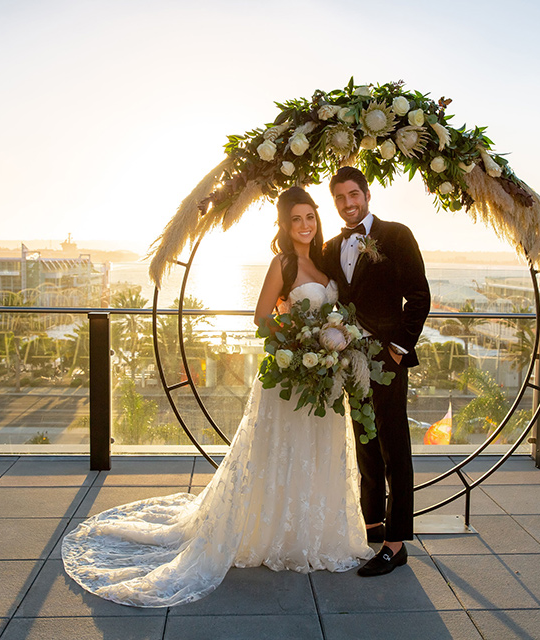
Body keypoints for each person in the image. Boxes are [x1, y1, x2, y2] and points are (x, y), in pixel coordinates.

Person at [62, 186, 372, 607]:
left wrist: (328, 347)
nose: (304, 225)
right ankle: (273, 535)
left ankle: (310, 534)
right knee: (281, 451)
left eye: (310, 217)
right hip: (292, 376)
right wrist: (303, 344)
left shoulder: (324, 259)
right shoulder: (282, 263)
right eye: (296, 219)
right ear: (285, 225)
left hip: (323, 380)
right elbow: (262, 317)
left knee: (315, 450)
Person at [322, 166, 431, 577]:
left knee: (393, 448)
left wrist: (398, 350)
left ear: (367, 194)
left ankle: (397, 543)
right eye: (340, 198)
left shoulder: (396, 235)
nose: (349, 204)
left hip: (387, 359)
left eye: (354, 195)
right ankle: (372, 527)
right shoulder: (332, 247)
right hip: (351, 361)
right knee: (364, 443)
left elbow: (419, 296)